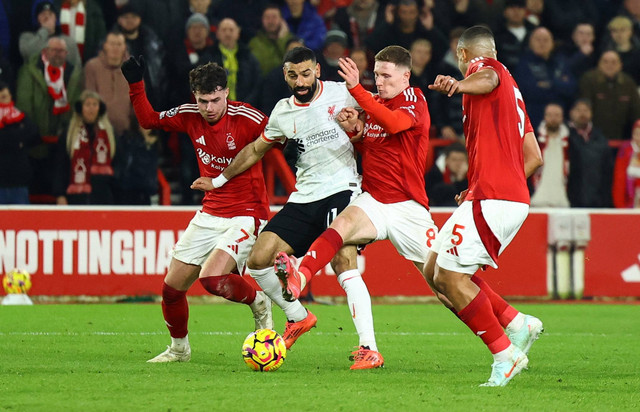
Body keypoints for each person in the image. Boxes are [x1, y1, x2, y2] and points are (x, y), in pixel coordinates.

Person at [191, 46, 381, 369]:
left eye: (306, 73)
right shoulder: (282, 112)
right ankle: (298, 316)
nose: (301, 81)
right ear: (286, 75)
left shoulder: (343, 93)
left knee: (342, 259)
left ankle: (368, 347)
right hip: (304, 196)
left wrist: (361, 127)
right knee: (257, 259)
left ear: (318, 71)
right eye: (293, 75)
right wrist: (219, 180)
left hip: (341, 190)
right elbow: (254, 150)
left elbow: (376, 117)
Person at [270, 44, 437, 368]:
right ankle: (303, 283)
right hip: (373, 199)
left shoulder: (411, 99)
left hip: (408, 206)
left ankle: (509, 321)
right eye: (376, 75)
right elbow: (373, 143)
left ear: (405, 76)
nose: (379, 81)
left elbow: (393, 124)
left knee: (445, 283)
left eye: (385, 75)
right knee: (339, 234)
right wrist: (356, 132)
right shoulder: (375, 104)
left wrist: (357, 89)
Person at [121, 58, 273, 363]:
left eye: (216, 99)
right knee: (171, 290)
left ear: (227, 92)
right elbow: (149, 120)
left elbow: (285, 142)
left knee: (212, 279)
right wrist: (136, 84)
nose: (210, 107)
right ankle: (179, 350)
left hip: (247, 211)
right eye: (203, 101)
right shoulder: (190, 115)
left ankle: (259, 302)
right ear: (195, 97)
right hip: (211, 213)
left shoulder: (249, 117)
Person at [424, 25, 544, 387]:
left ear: (462, 55)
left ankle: (504, 354)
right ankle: (516, 323)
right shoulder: (514, 97)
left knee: (450, 278)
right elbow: (534, 157)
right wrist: (485, 184)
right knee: (434, 270)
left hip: (496, 197)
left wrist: (459, 85)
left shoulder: (485, 70)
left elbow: (487, 75)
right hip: (494, 194)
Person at [15, 36, 83, 198]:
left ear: (67, 53)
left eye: (61, 51)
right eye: (54, 50)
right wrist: (32, 132)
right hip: (34, 143)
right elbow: (24, 104)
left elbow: (75, 105)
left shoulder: (74, 73)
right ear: (45, 51)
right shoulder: (29, 71)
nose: (57, 54)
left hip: (61, 144)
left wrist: (66, 132)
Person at [52, 90, 116, 205]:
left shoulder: (110, 134)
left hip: (103, 196)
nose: (91, 109)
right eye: (87, 105)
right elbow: (59, 166)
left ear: (99, 108)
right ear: (81, 108)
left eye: (94, 105)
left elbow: (117, 163)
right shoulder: (69, 134)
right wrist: (60, 194)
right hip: (75, 198)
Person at [579, 50, 640, 141]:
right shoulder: (588, 80)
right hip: (593, 137)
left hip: (622, 135)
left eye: (614, 62)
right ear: (599, 64)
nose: (609, 65)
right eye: (605, 61)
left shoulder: (628, 83)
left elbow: (636, 111)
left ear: (620, 65)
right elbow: (584, 108)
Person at [566, 98, 614, 208]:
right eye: (578, 110)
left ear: (591, 113)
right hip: (569, 201)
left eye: (586, 110)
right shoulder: (564, 137)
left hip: (596, 200)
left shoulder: (600, 138)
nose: (582, 114)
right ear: (571, 113)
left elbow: (607, 172)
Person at [84, 30, 132, 136]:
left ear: (125, 47)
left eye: (119, 44)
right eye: (112, 44)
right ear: (105, 46)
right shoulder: (92, 67)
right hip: (98, 132)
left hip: (126, 132)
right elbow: (89, 98)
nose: (115, 48)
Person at [0, 81, 40, 204]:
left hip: (19, 181)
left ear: (11, 97)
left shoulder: (22, 117)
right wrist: (18, 142)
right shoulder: (21, 123)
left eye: (4, 97)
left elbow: (35, 136)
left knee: (22, 222)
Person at [530, 102, 571, 208]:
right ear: (545, 117)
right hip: (536, 200)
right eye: (550, 115)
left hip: (562, 201)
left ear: (562, 117)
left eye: (557, 115)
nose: (553, 118)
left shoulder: (571, 142)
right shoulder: (533, 140)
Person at [19, 0, 82, 67]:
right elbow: (29, 54)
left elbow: (77, 68)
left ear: (56, 18)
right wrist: (45, 30)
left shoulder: (68, 41)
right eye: (43, 14)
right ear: (37, 19)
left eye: (50, 14)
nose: (47, 17)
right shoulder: (27, 37)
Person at [249, 4, 297, 77]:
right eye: (267, 18)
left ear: (281, 20)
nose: (270, 21)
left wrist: (282, 40)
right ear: (262, 20)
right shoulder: (255, 43)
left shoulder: (292, 41)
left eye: (274, 17)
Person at [425, 141, 468, 206]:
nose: (458, 164)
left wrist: (461, 179)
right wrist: (459, 182)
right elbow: (435, 196)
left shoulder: (471, 177)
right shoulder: (434, 174)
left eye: (461, 160)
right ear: (446, 160)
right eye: (454, 160)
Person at [613, 119, 640, 208]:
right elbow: (619, 178)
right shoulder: (626, 150)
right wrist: (620, 205)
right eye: (637, 134)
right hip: (629, 201)